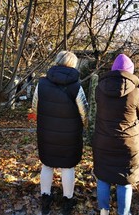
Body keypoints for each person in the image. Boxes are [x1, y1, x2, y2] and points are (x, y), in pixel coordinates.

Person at [31, 50, 88, 215]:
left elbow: (35, 107)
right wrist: (81, 126)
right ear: (73, 64)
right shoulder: (76, 86)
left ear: (57, 61)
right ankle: (67, 200)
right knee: (68, 166)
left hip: (46, 131)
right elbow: (84, 112)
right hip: (69, 134)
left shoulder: (41, 84)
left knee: (47, 164)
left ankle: (45, 198)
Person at [92, 54, 139, 215]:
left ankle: (104, 211)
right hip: (128, 143)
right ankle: (124, 212)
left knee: (103, 176)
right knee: (125, 180)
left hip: (103, 140)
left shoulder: (99, 89)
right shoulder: (136, 93)